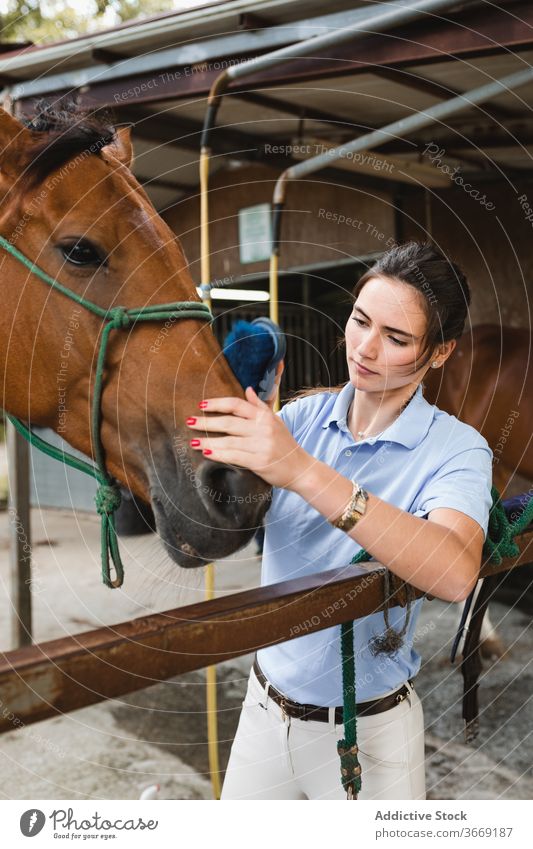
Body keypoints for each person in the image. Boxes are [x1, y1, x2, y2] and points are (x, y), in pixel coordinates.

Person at [186, 241, 493, 800]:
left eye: (396, 339)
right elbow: (212, 527)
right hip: (262, 711)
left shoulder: (457, 449)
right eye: (359, 321)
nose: (366, 349)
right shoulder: (300, 418)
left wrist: (302, 470)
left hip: (367, 735)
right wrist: (223, 442)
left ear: (441, 352)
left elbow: (452, 573)